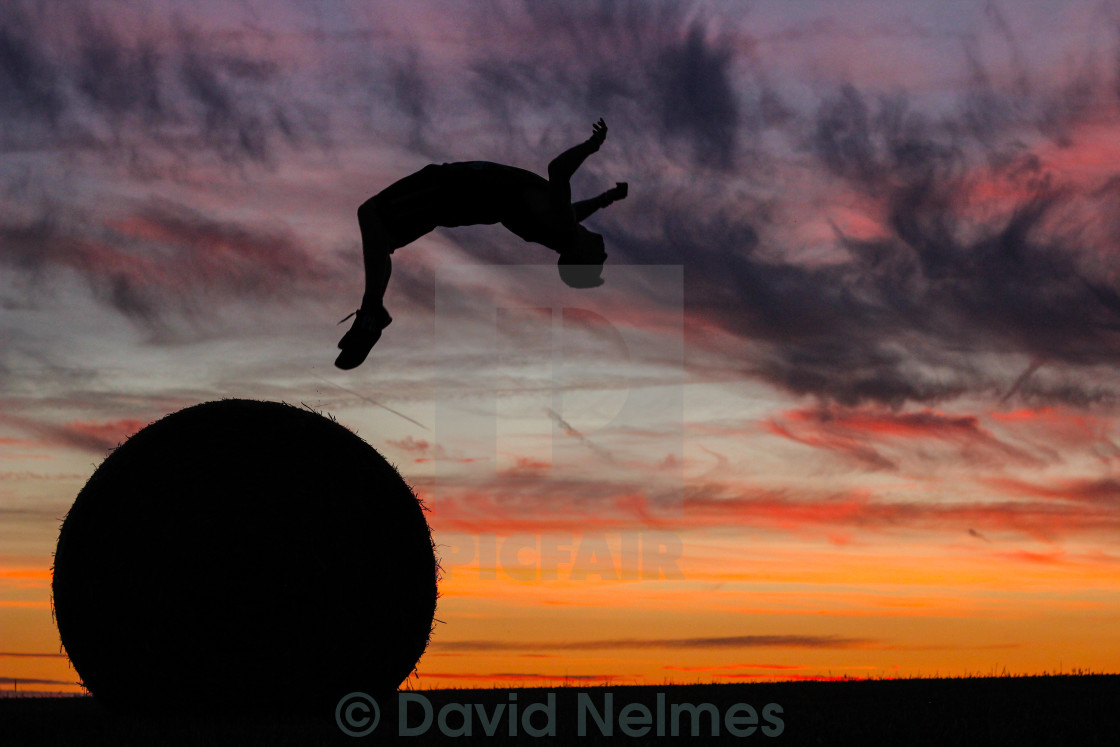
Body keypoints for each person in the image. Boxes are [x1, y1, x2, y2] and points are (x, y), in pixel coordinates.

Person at [335, 118, 628, 369]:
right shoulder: (557, 230)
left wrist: (593, 145)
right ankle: (372, 314)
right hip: (454, 201)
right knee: (382, 238)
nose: (603, 255)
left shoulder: (562, 226)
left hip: (450, 188)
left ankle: (371, 313)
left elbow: (558, 170)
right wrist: (604, 199)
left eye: (597, 260)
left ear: (578, 255)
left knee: (371, 213)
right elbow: (575, 212)